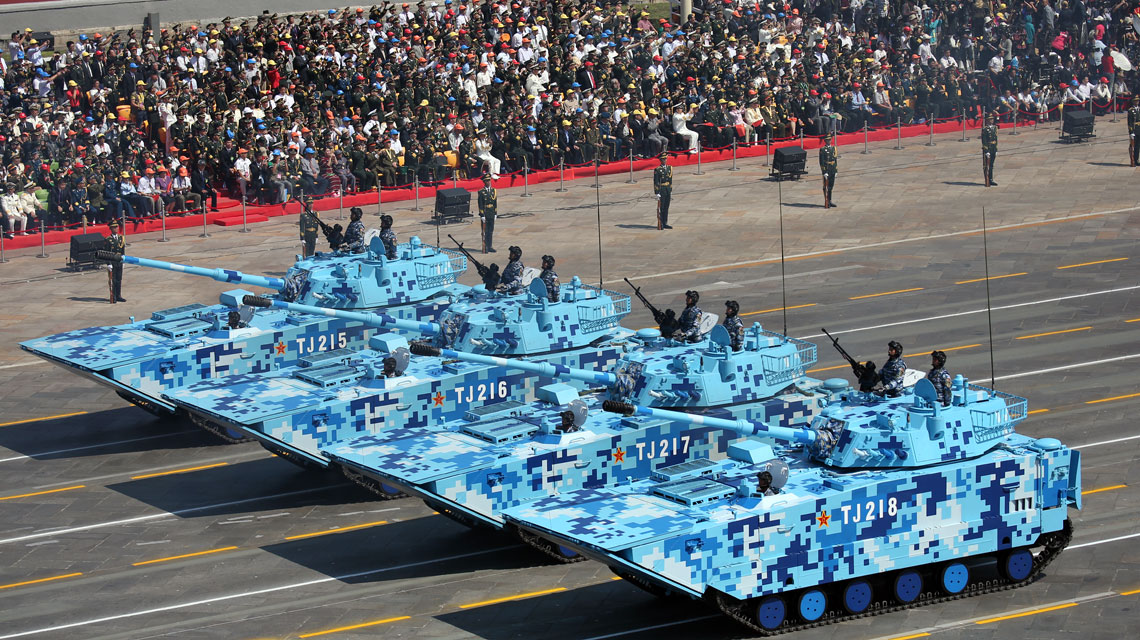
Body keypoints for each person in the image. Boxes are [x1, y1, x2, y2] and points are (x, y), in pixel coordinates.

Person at [104, 219, 126, 303]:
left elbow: (122, 251)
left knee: (119, 279)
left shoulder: (121, 238)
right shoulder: (108, 240)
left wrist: (123, 260)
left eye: (117, 227)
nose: (116, 229)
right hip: (112, 261)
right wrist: (108, 264)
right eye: (114, 227)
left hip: (119, 261)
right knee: (113, 280)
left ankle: (119, 295)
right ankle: (114, 296)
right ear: (111, 229)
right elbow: (107, 253)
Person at [653, 152, 673, 230]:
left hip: (667, 188)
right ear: (660, 160)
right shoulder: (657, 170)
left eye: (665, 159)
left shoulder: (669, 168)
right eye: (663, 159)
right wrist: (657, 192)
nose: (664, 160)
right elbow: (656, 181)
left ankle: (665, 222)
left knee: (666, 206)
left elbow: (670, 180)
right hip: (662, 189)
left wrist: (670, 189)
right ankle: (661, 223)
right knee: (662, 207)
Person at [478, 173, 497, 253]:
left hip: (491, 213)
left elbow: (495, 203)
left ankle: (490, 246)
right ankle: (485, 247)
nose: (488, 182)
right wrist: (482, 215)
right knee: (485, 232)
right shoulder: (481, 192)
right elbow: (480, 204)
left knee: (491, 231)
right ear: (484, 182)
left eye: (489, 180)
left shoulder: (493, 191)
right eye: (487, 181)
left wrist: (495, 213)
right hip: (485, 213)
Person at [819, 132, 838, 208]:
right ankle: (826, 201)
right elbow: (821, 162)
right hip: (827, 169)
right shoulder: (823, 149)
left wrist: (836, 170)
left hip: (832, 169)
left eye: (829, 140)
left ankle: (830, 201)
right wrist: (824, 172)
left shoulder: (833, 148)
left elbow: (835, 160)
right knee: (826, 187)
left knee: (831, 186)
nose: (828, 141)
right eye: (827, 140)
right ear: (825, 141)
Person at [981, 113, 998, 186]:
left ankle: (990, 179)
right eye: (990, 119)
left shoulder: (995, 128)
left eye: (992, 119)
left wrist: (996, 149)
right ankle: (987, 180)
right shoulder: (985, 129)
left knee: (991, 165)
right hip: (988, 148)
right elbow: (984, 141)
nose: (992, 120)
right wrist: (986, 151)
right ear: (987, 120)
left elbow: (996, 139)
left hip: (993, 148)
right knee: (986, 166)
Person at [1129, 96, 1140, 167]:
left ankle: (1137, 159)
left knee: (1138, 146)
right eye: (1135, 101)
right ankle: (1133, 160)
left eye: (1138, 101)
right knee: (1134, 146)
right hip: (1135, 129)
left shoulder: (1139, 109)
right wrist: (1131, 132)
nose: (1137, 102)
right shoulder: (1131, 110)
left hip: (1139, 129)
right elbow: (1130, 122)